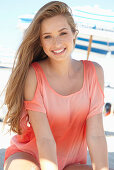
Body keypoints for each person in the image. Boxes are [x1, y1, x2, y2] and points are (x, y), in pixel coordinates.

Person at [3, 1, 109, 170]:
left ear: (74, 34)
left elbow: (96, 135)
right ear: (40, 42)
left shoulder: (94, 72)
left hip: (72, 163)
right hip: (30, 157)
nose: (56, 43)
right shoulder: (33, 75)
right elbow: (45, 139)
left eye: (63, 33)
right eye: (47, 36)